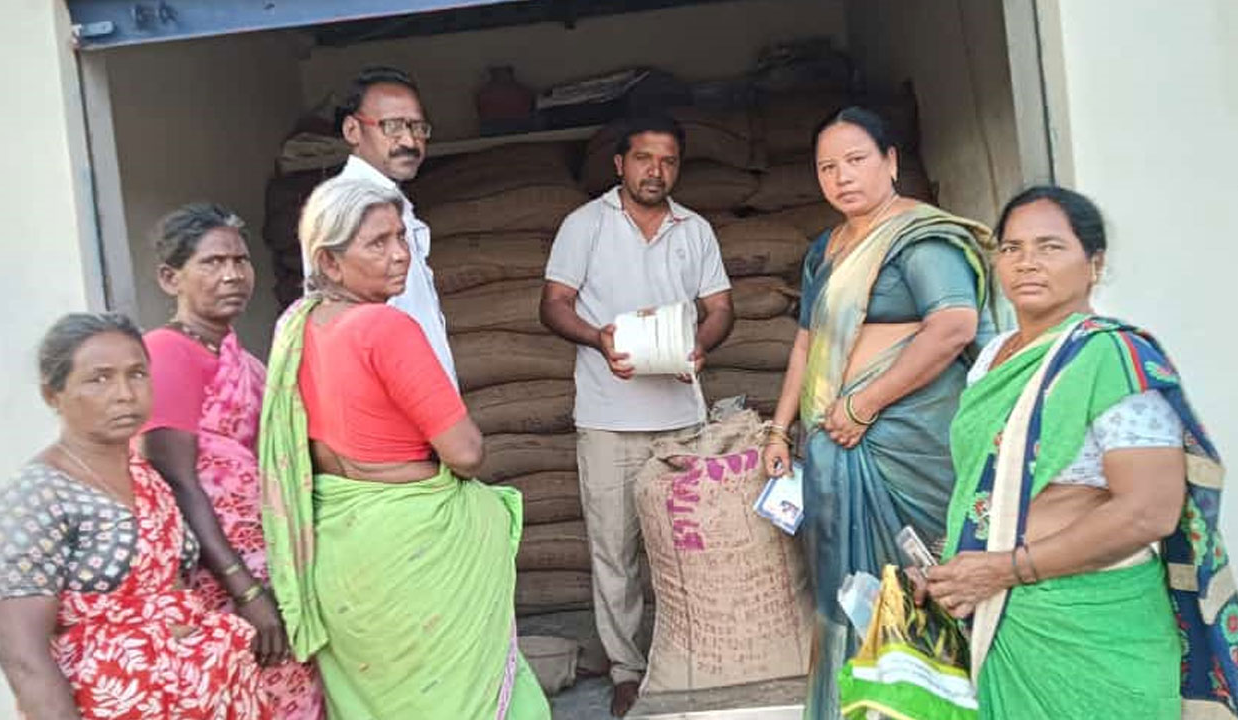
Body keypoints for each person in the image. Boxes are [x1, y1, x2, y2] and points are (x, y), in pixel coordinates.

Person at [914, 186, 1238, 719]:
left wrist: (1006, 570)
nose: (1027, 263)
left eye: (1050, 247)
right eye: (1011, 248)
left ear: (1094, 264)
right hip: (1009, 621)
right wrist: (950, 570)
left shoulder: (1114, 357)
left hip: (1093, 624)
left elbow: (1149, 510)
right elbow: (987, 490)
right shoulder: (990, 362)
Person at [260, 177, 550, 719]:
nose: (400, 255)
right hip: (413, 551)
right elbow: (466, 452)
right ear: (328, 261)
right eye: (378, 243)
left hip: (343, 556)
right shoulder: (384, 327)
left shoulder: (295, 328)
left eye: (401, 238)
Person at [759, 106, 997, 718]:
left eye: (857, 160)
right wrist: (780, 427)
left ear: (891, 161)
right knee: (846, 592)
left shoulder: (919, 236)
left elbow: (953, 327)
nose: (842, 177)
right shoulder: (827, 248)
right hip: (834, 448)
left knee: (924, 580)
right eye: (827, 167)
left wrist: (864, 403)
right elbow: (807, 343)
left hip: (908, 446)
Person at [539, 115, 734, 717]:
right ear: (619, 165)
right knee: (615, 551)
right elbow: (553, 305)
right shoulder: (585, 226)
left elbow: (721, 307)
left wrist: (702, 344)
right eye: (645, 158)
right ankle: (627, 672)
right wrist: (598, 339)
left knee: (688, 548)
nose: (657, 171)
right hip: (607, 418)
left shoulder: (693, 229)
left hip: (681, 416)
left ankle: (693, 657)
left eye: (669, 160)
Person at [0, 313, 268, 719]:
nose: (125, 394)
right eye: (99, 379)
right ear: (53, 395)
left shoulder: (147, 478)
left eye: (137, 374)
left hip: (208, 695)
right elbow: (22, 657)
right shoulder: (36, 498)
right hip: (114, 703)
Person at [139, 204, 325, 719]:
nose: (231, 275)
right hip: (217, 580)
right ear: (169, 278)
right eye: (212, 262)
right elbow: (178, 481)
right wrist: (244, 590)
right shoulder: (166, 352)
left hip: (271, 568)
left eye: (240, 262)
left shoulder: (244, 360)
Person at [305, 64, 455, 383]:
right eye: (392, 127)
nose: (410, 142)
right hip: (397, 409)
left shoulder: (388, 203)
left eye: (417, 128)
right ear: (352, 131)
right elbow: (349, 334)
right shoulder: (347, 207)